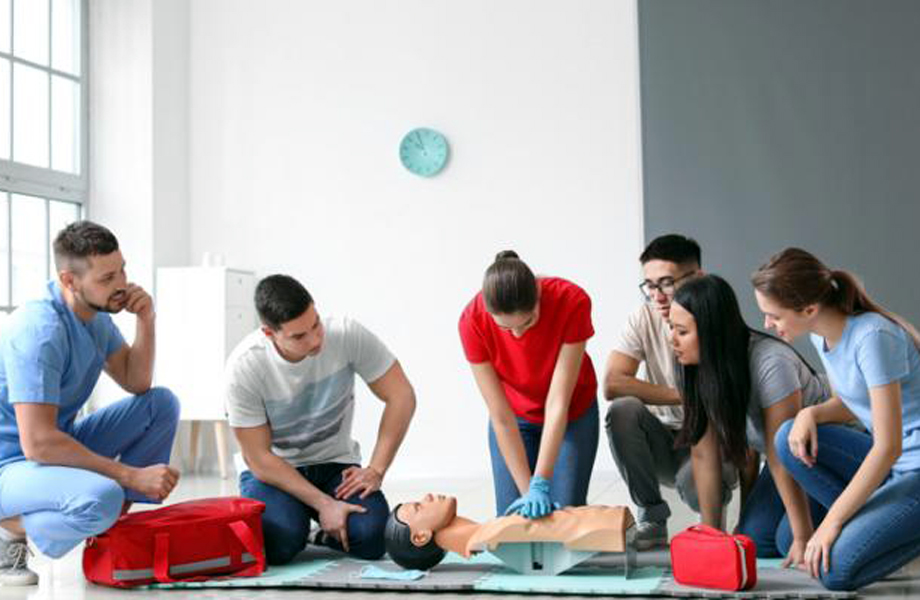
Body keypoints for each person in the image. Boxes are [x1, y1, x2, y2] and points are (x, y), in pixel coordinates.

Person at [0, 221, 181, 586]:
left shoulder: (93, 316)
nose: (121, 285)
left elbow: (137, 381)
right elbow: (37, 443)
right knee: (103, 497)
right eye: (107, 278)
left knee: (161, 404)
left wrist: (146, 320)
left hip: (50, 446)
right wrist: (130, 476)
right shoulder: (40, 330)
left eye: (122, 270)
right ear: (70, 280)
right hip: (11, 462)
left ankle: (112, 523)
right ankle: (7, 529)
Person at [751, 248, 920, 591]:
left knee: (833, 570)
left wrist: (833, 523)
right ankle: (879, 524)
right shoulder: (822, 334)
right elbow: (855, 402)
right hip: (893, 464)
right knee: (787, 440)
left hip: (911, 465)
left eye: (774, 315)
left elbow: (888, 447)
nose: (767, 324)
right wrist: (810, 413)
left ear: (808, 309)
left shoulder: (873, 337)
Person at [226, 274, 416, 565]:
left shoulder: (346, 334)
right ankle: (300, 519)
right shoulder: (245, 366)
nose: (315, 340)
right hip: (274, 472)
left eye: (315, 324)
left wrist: (376, 469)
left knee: (374, 536)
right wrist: (324, 504)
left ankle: (319, 532)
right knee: (279, 542)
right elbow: (259, 458)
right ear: (269, 333)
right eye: (299, 336)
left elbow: (402, 395)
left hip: (333, 465)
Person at [668, 274, 829, 565]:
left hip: (825, 454)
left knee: (787, 539)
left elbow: (782, 456)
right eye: (672, 329)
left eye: (681, 331)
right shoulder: (700, 365)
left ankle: (860, 511)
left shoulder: (771, 363)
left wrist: (802, 535)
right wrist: (711, 536)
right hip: (793, 458)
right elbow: (704, 455)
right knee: (754, 538)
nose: (672, 340)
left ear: (710, 331)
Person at [604, 234, 737, 549]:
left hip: (716, 444)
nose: (658, 296)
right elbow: (612, 382)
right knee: (622, 409)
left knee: (695, 483)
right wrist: (682, 397)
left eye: (666, 283)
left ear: (698, 278)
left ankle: (712, 522)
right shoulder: (644, 318)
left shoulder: (720, 320)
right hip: (665, 439)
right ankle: (652, 514)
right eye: (650, 285)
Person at [458, 251, 598, 520]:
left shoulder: (572, 301)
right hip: (515, 417)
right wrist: (527, 492)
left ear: (538, 293)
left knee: (563, 519)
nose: (519, 334)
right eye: (506, 328)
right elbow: (500, 416)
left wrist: (540, 483)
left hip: (571, 414)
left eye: (528, 322)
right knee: (516, 522)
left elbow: (558, 401)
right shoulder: (471, 321)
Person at [384, 493, 634, 570]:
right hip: (612, 525)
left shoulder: (495, 530)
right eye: (419, 506)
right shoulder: (497, 534)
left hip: (614, 522)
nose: (427, 496)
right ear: (421, 537)